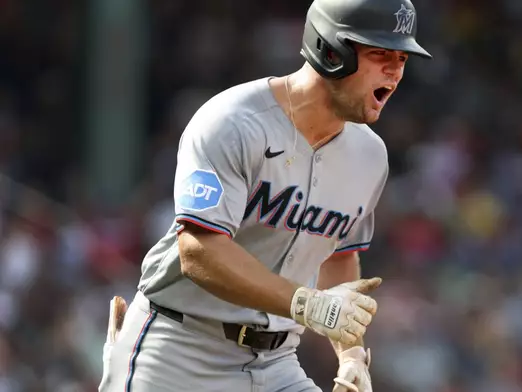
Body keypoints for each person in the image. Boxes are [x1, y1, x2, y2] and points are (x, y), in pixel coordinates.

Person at [98, 0, 431, 390]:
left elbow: (338, 260)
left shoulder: (370, 156)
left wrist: (351, 353)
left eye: (402, 58)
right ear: (331, 52)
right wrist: (308, 305)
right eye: (380, 54)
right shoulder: (233, 122)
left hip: (276, 362)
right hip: (179, 349)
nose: (395, 70)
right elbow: (198, 250)